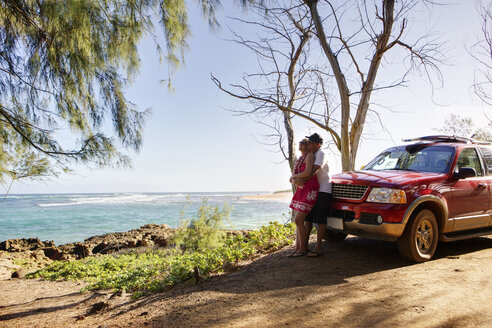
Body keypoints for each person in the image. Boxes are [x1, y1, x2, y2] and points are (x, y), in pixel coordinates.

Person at [288, 138, 319, 257]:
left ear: (308, 146)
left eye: (303, 143)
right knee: (299, 220)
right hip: (301, 190)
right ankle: (298, 248)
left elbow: (307, 173)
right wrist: (294, 179)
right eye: (300, 143)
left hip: (309, 189)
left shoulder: (309, 156)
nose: (300, 145)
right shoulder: (300, 158)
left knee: (298, 219)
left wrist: (294, 176)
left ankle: (302, 249)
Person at [303, 133, 331, 257]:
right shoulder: (311, 154)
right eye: (308, 143)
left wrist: (298, 179)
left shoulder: (320, 153)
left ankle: (318, 247)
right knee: (308, 218)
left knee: (320, 219)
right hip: (314, 190)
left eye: (311, 143)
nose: (309, 145)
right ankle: (304, 245)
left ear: (318, 144)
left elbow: (313, 171)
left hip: (323, 190)